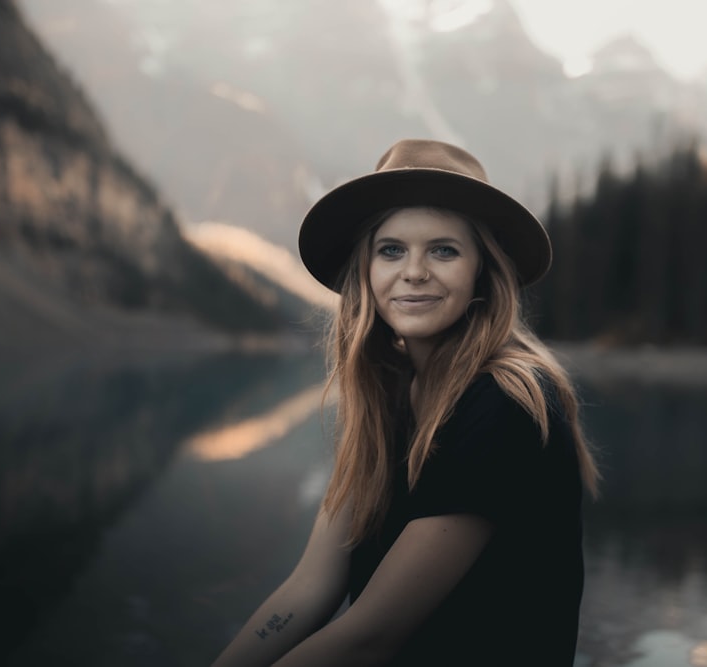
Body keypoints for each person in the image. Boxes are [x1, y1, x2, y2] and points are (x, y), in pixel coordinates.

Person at [211, 139, 600, 666]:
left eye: (443, 250)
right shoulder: (388, 399)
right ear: (366, 273)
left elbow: (371, 637)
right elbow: (308, 589)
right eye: (391, 250)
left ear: (482, 272)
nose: (414, 271)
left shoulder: (506, 401)